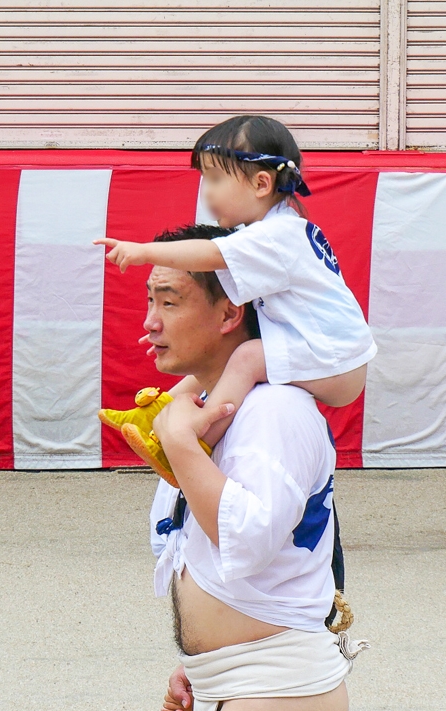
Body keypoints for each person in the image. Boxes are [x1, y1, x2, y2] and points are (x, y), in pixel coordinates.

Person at [125, 235, 369, 711]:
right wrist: (199, 667)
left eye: (169, 302)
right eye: (150, 301)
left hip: (278, 689)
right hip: (239, 685)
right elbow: (193, 552)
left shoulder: (274, 410)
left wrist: (177, 444)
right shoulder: (207, 410)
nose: (151, 322)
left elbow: (246, 539)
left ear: (230, 314)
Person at [95, 115, 376, 486]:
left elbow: (212, 254)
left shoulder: (276, 235)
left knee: (245, 357)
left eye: (215, 179)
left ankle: (196, 439)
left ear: (261, 183)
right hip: (333, 353)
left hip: (335, 360)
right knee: (227, 354)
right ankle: (153, 414)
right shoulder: (277, 230)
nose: (206, 192)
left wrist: (146, 252)